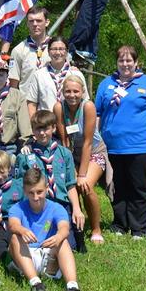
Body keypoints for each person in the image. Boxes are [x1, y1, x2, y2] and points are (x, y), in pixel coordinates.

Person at [94, 45, 146, 239]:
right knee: (117, 185)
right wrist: (96, 140)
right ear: (116, 63)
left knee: (138, 186)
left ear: (136, 62)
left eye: (129, 60)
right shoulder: (106, 84)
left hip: (140, 145)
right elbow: (97, 113)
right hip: (112, 146)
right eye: (121, 60)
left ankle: (139, 227)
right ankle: (120, 223)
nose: (125, 64)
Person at [8, 166, 82, 291]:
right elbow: (12, 224)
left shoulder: (56, 208)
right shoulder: (17, 208)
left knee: (63, 241)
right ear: (24, 191)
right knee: (14, 237)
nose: (36, 197)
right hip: (25, 255)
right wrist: (22, 230)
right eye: (31, 193)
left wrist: (59, 236)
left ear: (47, 188)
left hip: (48, 255)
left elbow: (64, 228)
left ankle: (72, 287)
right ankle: (35, 283)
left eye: (39, 192)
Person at [16, 110, 84, 251]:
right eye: (38, 129)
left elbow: (70, 185)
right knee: (39, 243)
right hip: (37, 206)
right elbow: (21, 188)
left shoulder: (65, 154)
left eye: (46, 129)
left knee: (68, 245)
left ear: (53, 128)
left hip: (61, 205)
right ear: (32, 130)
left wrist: (77, 209)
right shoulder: (25, 156)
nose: (42, 133)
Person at [55, 74, 108, 244]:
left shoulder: (88, 106)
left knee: (85, 186)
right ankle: (76, 223)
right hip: (72, 153)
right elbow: (64, 140)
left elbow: (88, 142)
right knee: (71, 186)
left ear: (82, 91)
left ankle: (96, 229)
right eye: (68, 91)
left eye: (76, 91)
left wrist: (82, 174)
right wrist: (70, 167)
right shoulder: (59, 107)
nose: (72, 95)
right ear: (62, 92)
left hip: (94, 151)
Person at [26, 36, 87, 118]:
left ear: (67, 52)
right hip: (46, 123)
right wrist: (34, 124)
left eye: (61, 49)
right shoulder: (39, 75)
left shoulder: (76, 74)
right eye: (54, 49)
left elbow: (85, 101)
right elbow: (32, 104)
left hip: (71, 122)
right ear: (48, 52)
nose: (58, 52)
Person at [8, 5, 51, 99]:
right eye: (31, 21)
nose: (35, 24)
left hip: (51, 101)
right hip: (26, 101)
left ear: (47, 22)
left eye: (39, 21)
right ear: (27, 23)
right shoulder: (18, 50)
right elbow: (13, 83)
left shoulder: (57, 48)